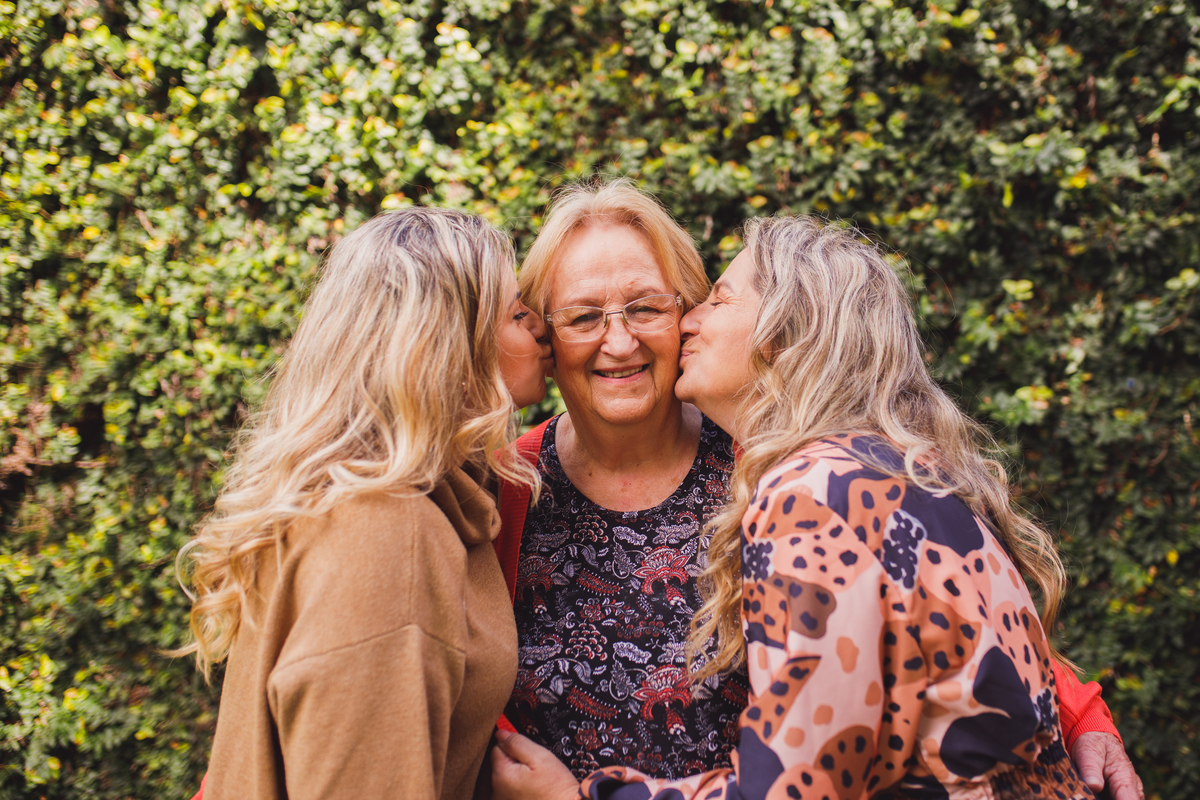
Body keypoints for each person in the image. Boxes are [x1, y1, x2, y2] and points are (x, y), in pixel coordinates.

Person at [488, 186, 1139, 799]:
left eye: (647, 307)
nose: (620, 340)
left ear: (684, 315)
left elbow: (924, 613)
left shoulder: (775, 469)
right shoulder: (506, 484)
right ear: (544, 337)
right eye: (582, 317)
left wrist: (1079, 711)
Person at [175, 207, 551, 800]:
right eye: (515, 313)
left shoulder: (367, 498)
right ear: (448, 343)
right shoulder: (386, 533)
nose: (541, 328)